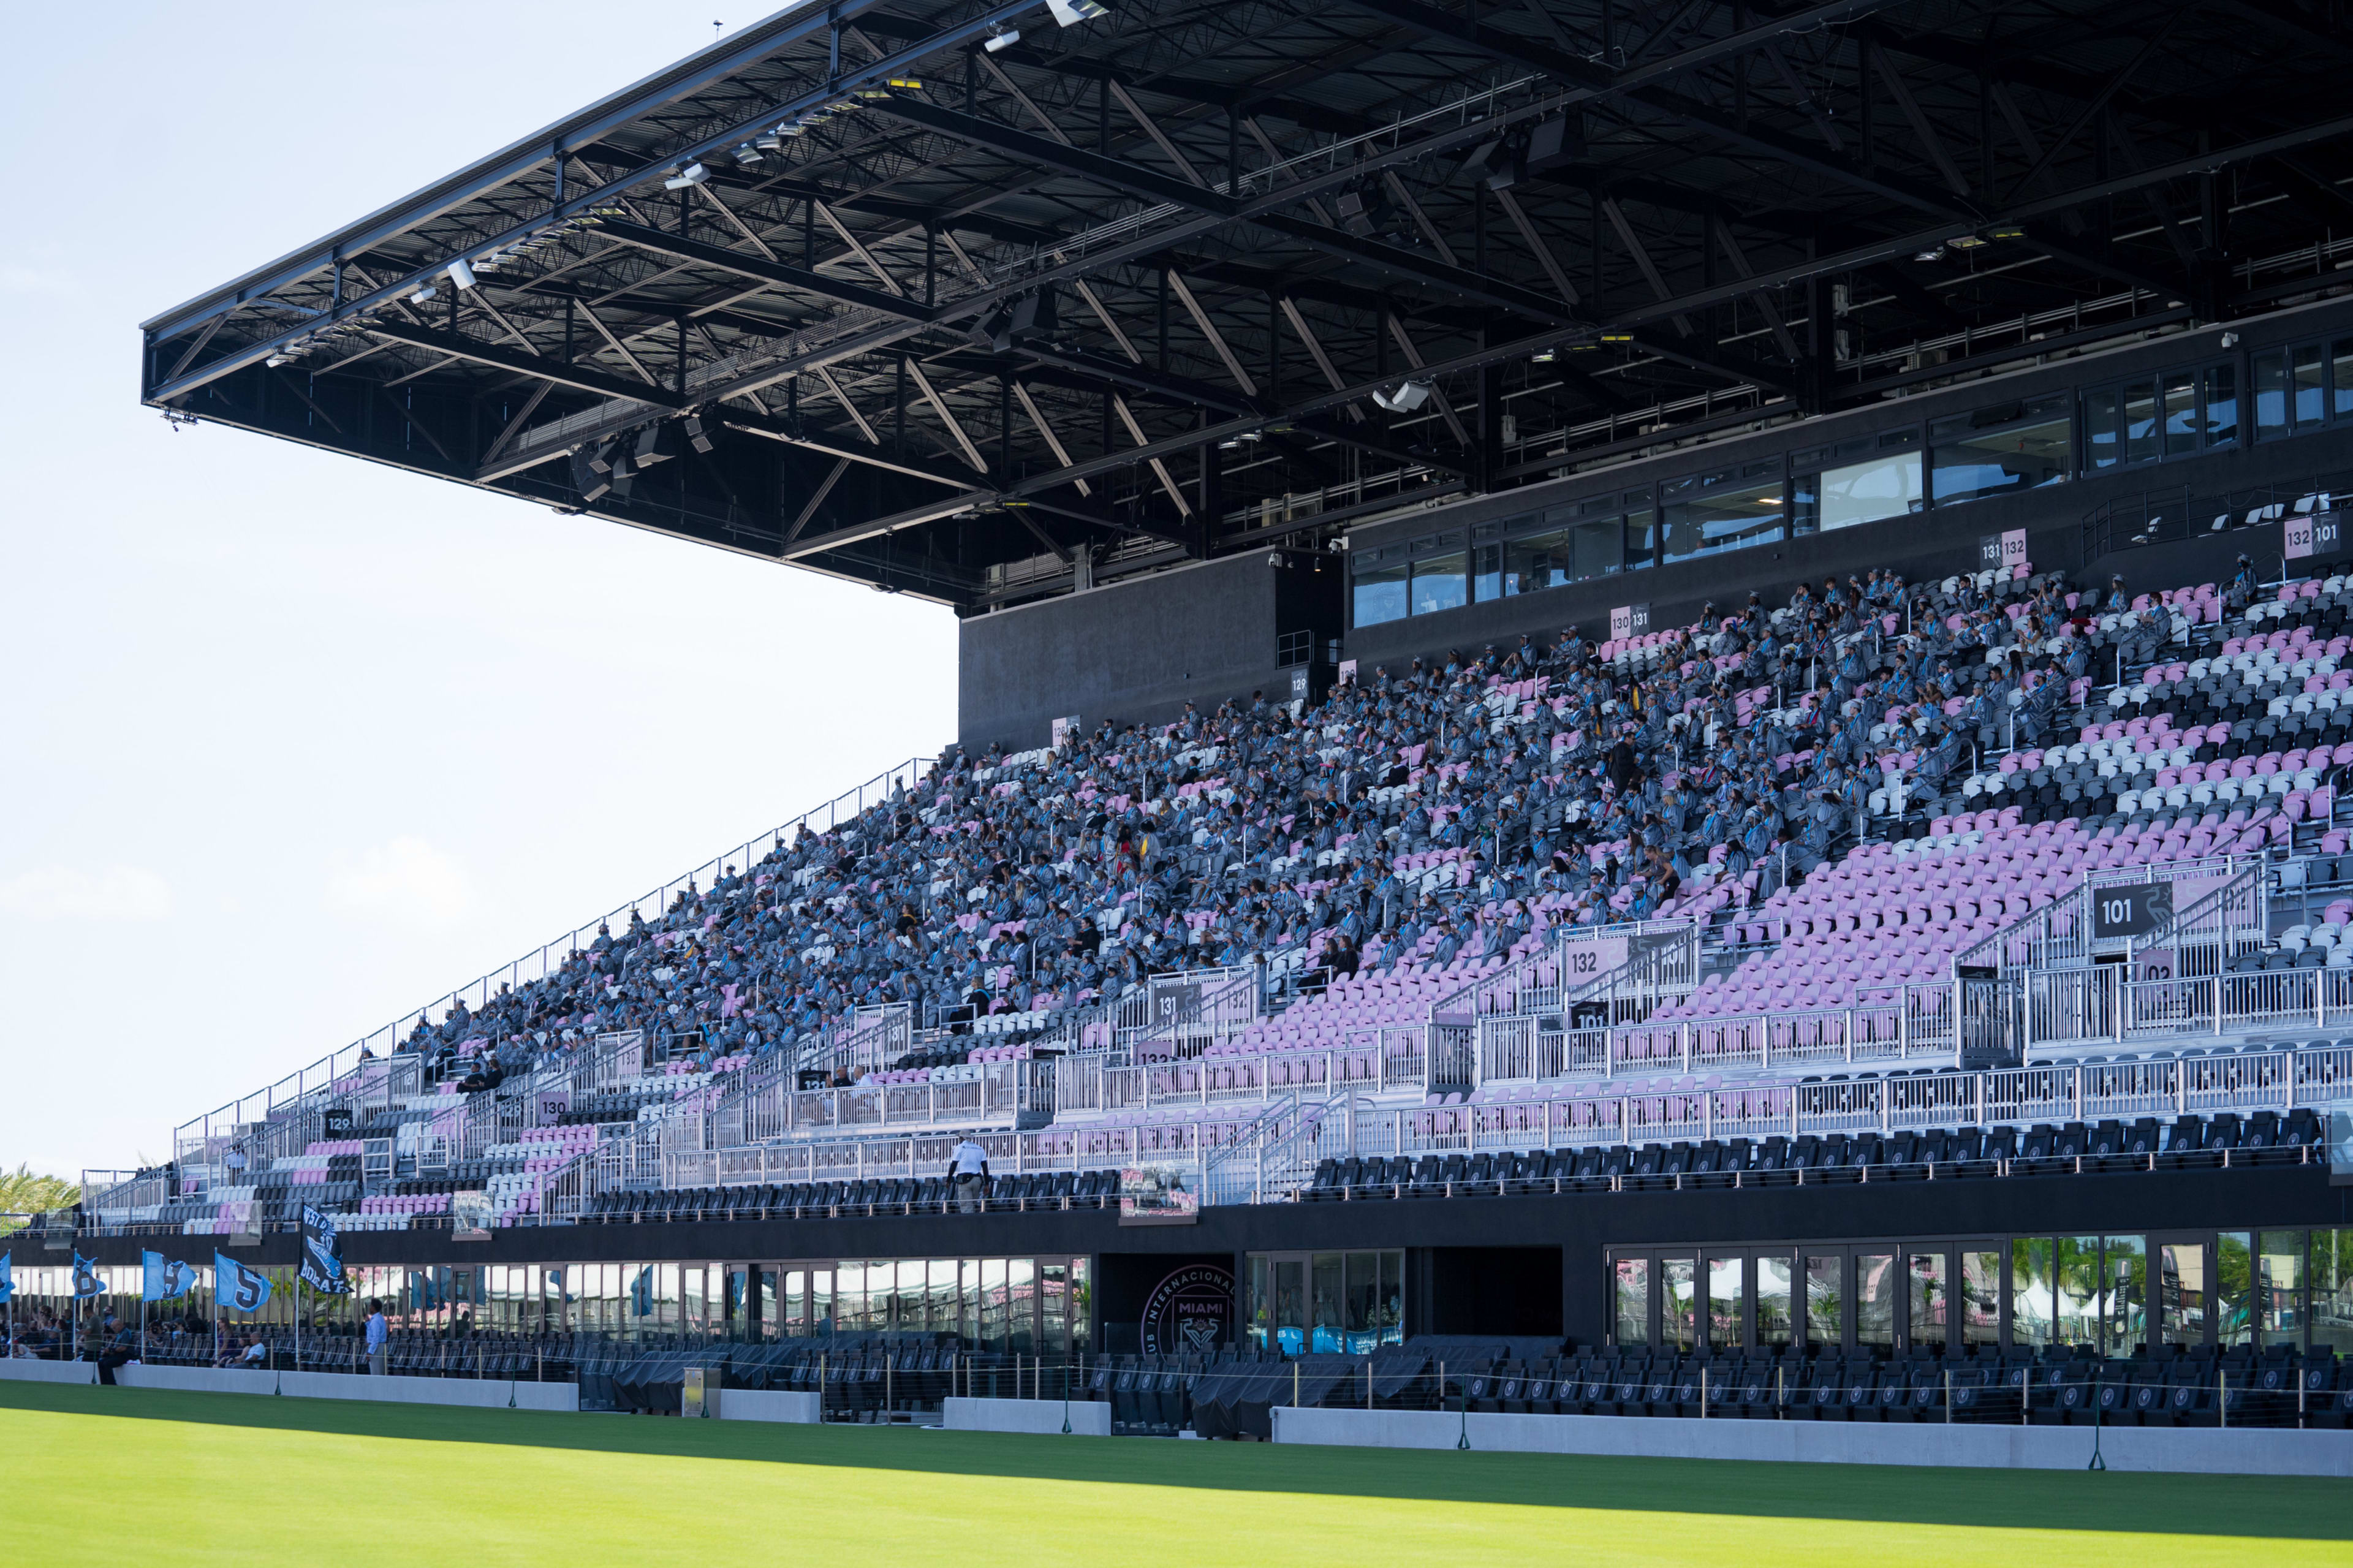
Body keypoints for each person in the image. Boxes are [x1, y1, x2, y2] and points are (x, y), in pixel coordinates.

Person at [949, 1132, 990, 1214]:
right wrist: (987, 1184)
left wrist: (948, 1180)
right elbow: (985, 1168)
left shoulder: (960, 1147)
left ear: (961, 1138)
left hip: (965, 1180)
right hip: (977, 1180)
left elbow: (953, 1165)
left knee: (966, 1206)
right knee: (973, 1204)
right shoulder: (980, 1149)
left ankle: (968, 1222)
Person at [365, 1298, 388, 1376]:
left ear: (374, 1308)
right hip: (379, 1346)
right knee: (380, 1370)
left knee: (376, 1371)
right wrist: (368, 1322)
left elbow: (376, 1338)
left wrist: (370, 1352)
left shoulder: (376, 1321)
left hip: (376, 1347)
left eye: (371, 1306)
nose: (370, 1308)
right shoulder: (380, 1318)